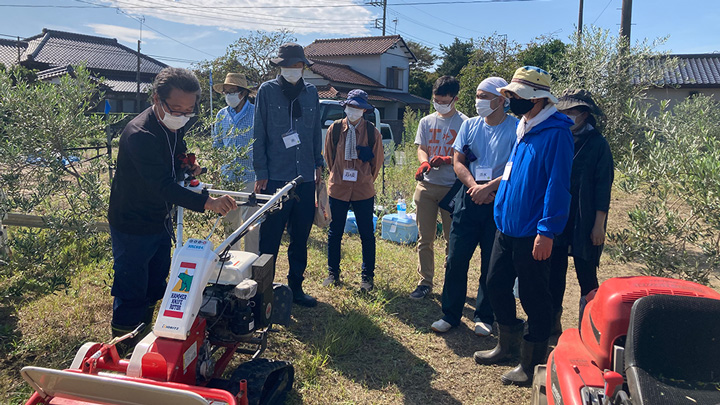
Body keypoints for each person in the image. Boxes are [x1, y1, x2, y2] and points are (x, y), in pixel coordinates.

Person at [108, 67, 237, 353]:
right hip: (132, 221)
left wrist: (188, 166)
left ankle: (142, 336)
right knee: (131, 288)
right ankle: (120, 349)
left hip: (159, 219)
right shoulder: (140, 134)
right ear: (156, 98)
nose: (181, 116)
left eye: (188, 111)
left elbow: (176, 158)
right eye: (176, 108)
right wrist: (208, 203)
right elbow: (162, 185)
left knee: (155, 283)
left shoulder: (173, 127)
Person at [473, 66, 573, 386]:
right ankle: (507, 344)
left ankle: (532, 364)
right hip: (507, 226)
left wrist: (546, 230)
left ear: (538, 99)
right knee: (495, 284)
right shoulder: (524, 126)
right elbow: (514, 173)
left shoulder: (556, 133)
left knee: (534, 297)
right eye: (511, 95)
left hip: (533, 232)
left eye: (517, 96)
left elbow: (558, 185)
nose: (512, 100)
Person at [430, 77, 517, 336]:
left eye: (483, 96)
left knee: (491, 263)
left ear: (501, 100)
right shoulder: (470, 125)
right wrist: (473, 187)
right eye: (477, 96)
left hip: (497, 201)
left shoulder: (515, 128)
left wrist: (488, 188)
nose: (478, 101)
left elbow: (516, 167)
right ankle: (450, 314)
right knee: (456, 259)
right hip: (469, 199)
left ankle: (484, 316)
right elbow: (458, 161)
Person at [253, 43, 323, 307]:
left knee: (300, 236)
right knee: (269, 237)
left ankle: (296, 287)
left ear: (304, 67)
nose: (293, 70)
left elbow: (315, 131)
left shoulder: (311, 93)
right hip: (275, 178)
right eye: (288, 66)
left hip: (304, 177)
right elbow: (258, 133)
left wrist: (318, 164)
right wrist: (261, 171)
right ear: (279, 67)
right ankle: (263, 292)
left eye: (297, 65)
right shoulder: (267, 91)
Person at [550, 89, 614, 332]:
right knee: (554, 271)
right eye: (562, 111)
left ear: (585, 114)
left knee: (586, 274)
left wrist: (599, 224)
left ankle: (588, 328)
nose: (566, 116)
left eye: (571, 112)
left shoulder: (598, 144)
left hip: (585, 217)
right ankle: (552, 320)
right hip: (558, 213)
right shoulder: (558, 137)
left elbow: (602, 187)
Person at [410, 75, 468, 300]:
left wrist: (448, 160)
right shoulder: (426, 121)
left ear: (455, 99)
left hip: (452, 188)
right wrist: (424, 161)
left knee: (451, 240)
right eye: (436, 100)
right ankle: (425, 281)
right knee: (425, 238)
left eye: (444, 101)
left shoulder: (465, 123)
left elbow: (470, 154)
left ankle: (450, 283)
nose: (440, 104)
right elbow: (421, 147)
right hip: (426, 187)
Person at [323, 89, 384, 292]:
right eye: (351, 106)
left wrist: (365, 180)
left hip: (363, 191)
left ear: (364, 110)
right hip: (338, 189)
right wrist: (338, 175)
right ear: (346, 107)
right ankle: (333, 273)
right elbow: (329, 158)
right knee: (335, 233)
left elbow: (377, 163)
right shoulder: (335, 129)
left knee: (367, 234)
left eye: (358, 107)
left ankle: (367, 277)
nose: (354, 110)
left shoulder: (372, 133)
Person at [213, 72, 259, 253]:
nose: (228, 96)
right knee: (229, 223)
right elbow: (217, 144)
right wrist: (217, 170)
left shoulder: (256, 113)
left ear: (242, 93)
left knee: (251, 225)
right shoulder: (221, 115)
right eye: (225, 92)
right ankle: (231, 259)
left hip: (251, 176)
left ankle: (251, 264)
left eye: (231, 91)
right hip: (228, 177)